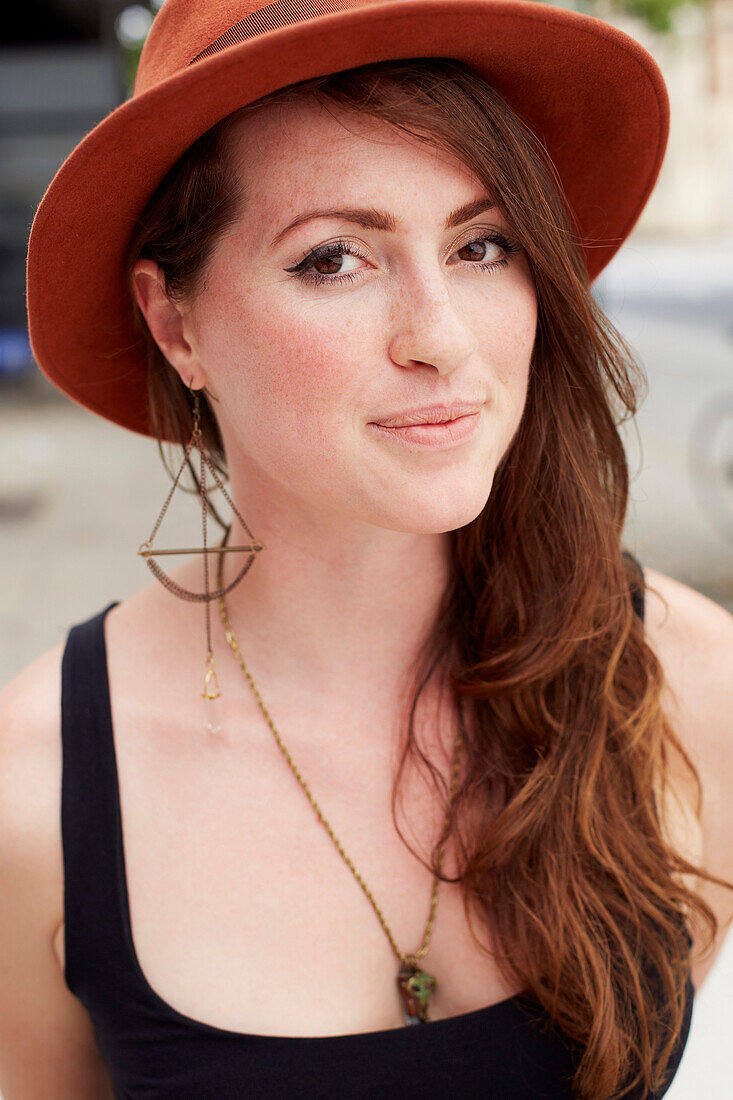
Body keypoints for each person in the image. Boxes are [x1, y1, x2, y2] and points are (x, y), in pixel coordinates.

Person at [2, 0, 732, 1097]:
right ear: (178, 324)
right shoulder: (35, 790)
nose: (439, 337)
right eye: (334, 259)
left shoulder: (682, 686)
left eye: (482, 244)